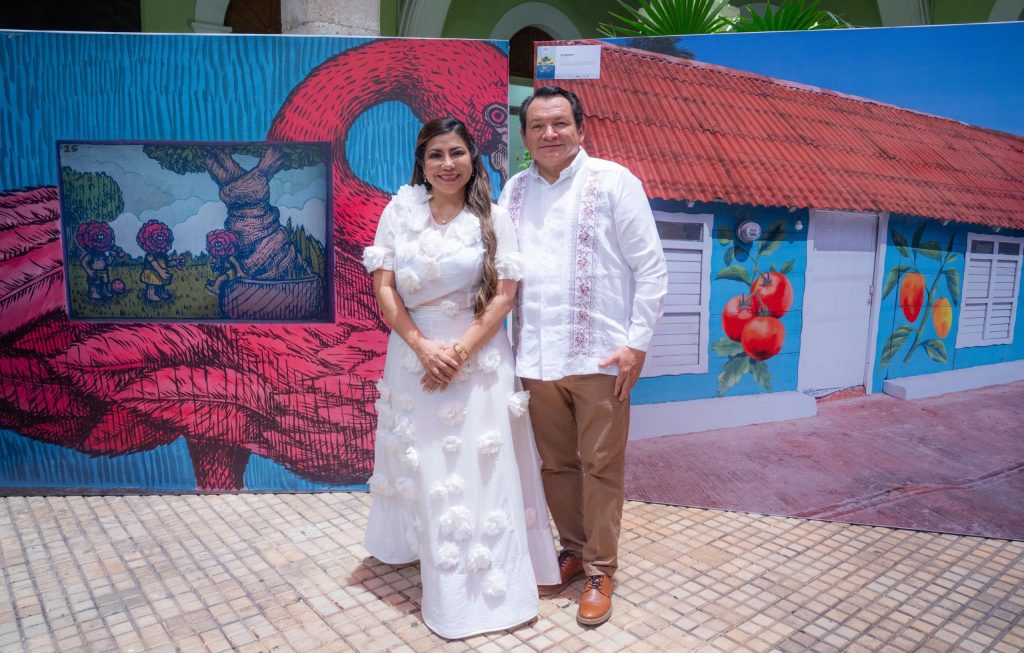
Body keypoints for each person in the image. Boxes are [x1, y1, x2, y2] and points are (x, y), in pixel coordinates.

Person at [362, 117, 559, 639]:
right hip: (413, 357)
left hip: (479, 361)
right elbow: (385, 289)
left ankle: (484, 591)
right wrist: (423, 347)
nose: (447, 164)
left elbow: (506, 295)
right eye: (436, 154)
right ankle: (432, 563)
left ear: (473, 157)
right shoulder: (398, 212)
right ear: (422, 163)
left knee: (480, 467)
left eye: (456, 153)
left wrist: (460, 351)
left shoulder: (493, 217)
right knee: (426, 464)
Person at [498, 86, 668, 626]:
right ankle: (571, 549)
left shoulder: (614, 182)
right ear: (524, 136)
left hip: (600, 358)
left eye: (560, 124)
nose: (549, 134)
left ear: (581, 128)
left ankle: (600, 569)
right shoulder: (513, 191)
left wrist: (636, 343)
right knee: (556, 465)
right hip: (535, 358)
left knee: (600, 466)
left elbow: (651, 267)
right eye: (538, 126)